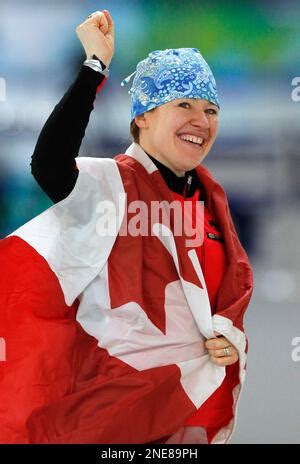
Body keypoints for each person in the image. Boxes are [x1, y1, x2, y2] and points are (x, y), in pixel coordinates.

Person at [0, 10, 253, 445]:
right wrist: (94, 66)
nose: (201, 120)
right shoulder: (107, 186)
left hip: (184, 411)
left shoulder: (212, 204)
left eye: (211, 108)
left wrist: (230, 343)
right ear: (143, 118)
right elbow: (48, 164)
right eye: (184, 105)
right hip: (109, 412)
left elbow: (221, 303)